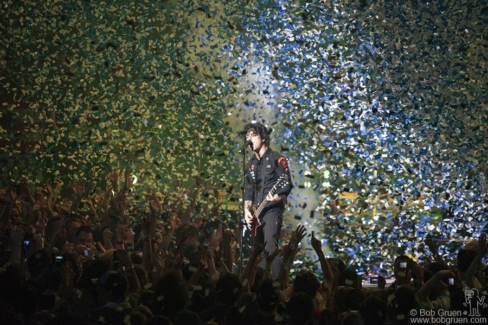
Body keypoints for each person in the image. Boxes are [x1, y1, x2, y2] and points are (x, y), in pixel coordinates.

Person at [243, 122, 293, 279]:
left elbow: (286, 181)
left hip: (271, 209)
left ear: (263, 138)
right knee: (257, 250)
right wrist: (246, 211)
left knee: (270, 247)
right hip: (256, 213)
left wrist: (278, 196)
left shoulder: (277, 158)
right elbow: (249, 190)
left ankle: (275, 284)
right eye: (247, 136)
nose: (249, 139)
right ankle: (258, 283)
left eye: (253, 135)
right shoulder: (251, 164)